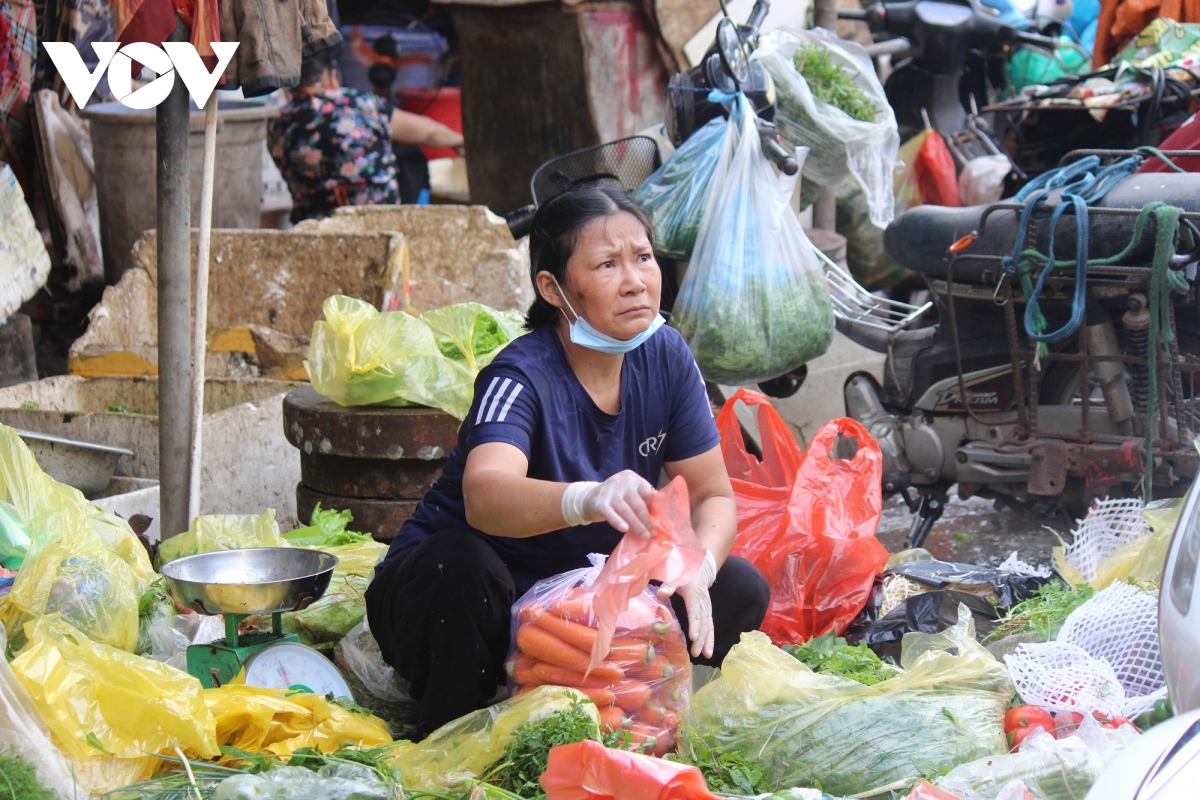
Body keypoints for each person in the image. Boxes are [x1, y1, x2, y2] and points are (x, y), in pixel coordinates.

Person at [365, 184, 770, 737]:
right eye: (607, 264)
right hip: (482, 592)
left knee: (739, 586)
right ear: (553, 288)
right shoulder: (520, 375)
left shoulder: (667, 356)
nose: (636, 281)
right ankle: (450, 736)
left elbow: (712, 495)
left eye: (644, 258)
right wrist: (587, 497)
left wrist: (695, 567)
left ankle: (635, 718)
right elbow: (485, 496)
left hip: (581, 601)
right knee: (456, 566)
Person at [269, 50, 464, 221]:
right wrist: (459, 141)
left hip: (314, 221)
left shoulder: (279, 122)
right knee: (411, 154)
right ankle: (414, 219)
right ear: (332, 75)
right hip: (373, 218)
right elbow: (428, 132)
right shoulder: (359, 103)